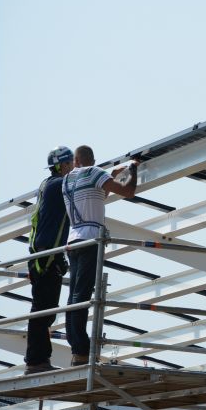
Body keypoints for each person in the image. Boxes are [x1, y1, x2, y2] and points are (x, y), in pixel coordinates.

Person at [62, 145, 139, 366]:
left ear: (75, 161)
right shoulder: (94, 172)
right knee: (82, 296)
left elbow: (97, 196)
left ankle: (77, 349)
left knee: (73, 297)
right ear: (91, 160)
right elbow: (128, 191)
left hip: (73, 241)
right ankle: (82, 350)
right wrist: (132, 169)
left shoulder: (67, 181)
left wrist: (111, 175)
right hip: (90, 238)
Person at [23, 146, 75, 375]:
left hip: (44, 254)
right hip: (46, 255)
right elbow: (85, 186)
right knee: (43, 311)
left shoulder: (48, 184)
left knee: (45, 310)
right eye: (71, 164)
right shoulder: (59, 185)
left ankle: (38, 359)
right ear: (64, 165)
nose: (74, 167)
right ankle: (35, 361)